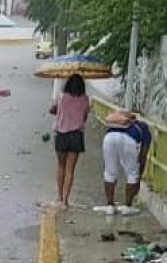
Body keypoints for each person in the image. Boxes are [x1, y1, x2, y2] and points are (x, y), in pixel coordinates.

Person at [97, 110, 152, 215]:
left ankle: (110, 206)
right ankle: (127, 206)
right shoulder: (144, 128)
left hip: (109, 138)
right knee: (132, 173)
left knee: (109, 172)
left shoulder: (118, 124)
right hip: (129, 140)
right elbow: (143, 155)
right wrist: (138, 177)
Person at [48, 74, 90, 208]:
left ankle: (59, 197)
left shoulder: (61, 98)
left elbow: (53, 110)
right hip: (76, 136)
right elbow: (84, 118)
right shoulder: (85, 99)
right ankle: (66, 200)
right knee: (70, 169)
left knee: (61, 166)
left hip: (62, 135)